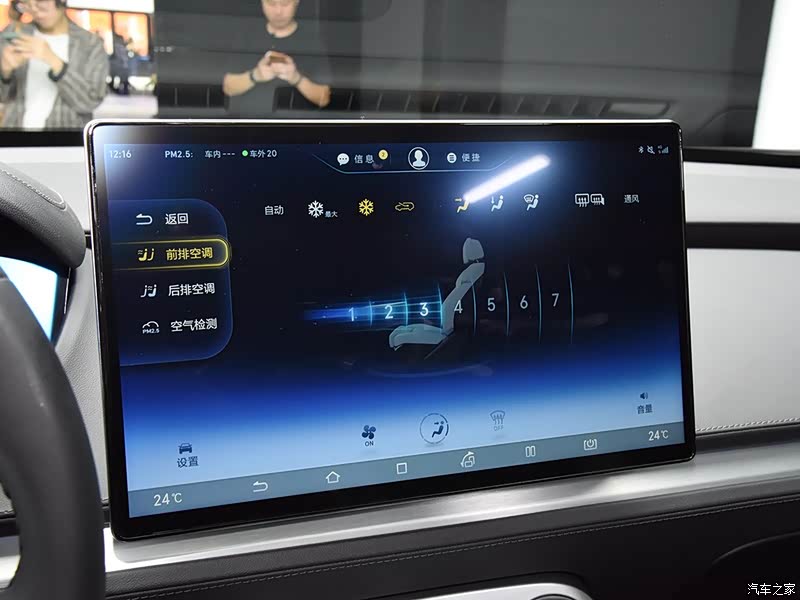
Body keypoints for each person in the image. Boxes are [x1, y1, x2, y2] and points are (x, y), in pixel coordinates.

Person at [0, 0, 108, 129]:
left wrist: (54, 61)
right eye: (27, 4)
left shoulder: (90, 44)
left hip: (64, 134)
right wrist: (5, 73)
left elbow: (91, 101)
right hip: (14, 131)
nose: (35, 10)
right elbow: (3, 97)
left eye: (40, 2)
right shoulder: (14, 34)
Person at [223, 0, 331, 115]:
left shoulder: (311, 40)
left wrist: (296, 78)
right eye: (271, 4)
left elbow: (323, 98)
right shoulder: (247, 35)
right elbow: (228, 87)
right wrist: (256, 75)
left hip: (293, 123)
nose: (278, 11)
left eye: (285, 4)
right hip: (250, 121)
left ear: (296, 2)